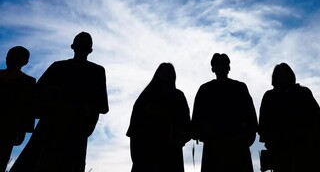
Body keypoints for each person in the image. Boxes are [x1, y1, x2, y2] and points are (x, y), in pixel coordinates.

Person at [10, 32, 109, 172]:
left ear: (90, 50)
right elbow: (36, 94)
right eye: (80, 44)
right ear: (73, 46)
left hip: (75, 129)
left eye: (85, 45)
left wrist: (84, 111)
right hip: (51, 126)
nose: (82, 47)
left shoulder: (97, 71)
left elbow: (102, 105)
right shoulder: (58, 67)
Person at [191, 53, 258, 172]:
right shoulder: (205, 89)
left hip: (237, 145)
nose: (221, 67)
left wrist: (246, 134)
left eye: (224, 64)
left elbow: (251, 116)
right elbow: (196, 119)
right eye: (218, 64)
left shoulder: (240, 87)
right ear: (213, 68)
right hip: (214, 145)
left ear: (229, 67)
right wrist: (203, 132)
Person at [259, 63, 320, 172]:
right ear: (275, 77)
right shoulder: (270, 96)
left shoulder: (303, 92)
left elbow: (317, 118)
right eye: (279, 73)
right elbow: (264, 123)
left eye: (285, 73)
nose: (282, 76)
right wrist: (270, 142)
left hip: (307, 146)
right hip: (281, 147)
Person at [126, 63, 191, 172]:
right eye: (165, 72)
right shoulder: (146, 97)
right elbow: (135, 129)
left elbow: (187, 127)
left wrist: (179, 140)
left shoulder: (178, 96)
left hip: (171, 152)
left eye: (171, 72)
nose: (168, 75)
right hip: (147, 152)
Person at [0, 46, 36, 172]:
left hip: (8, 129)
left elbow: (28, 108)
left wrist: (23, 131)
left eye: (16, 56)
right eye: (10, 55)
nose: (11, 58)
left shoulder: (28, 82)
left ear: (24, 61)